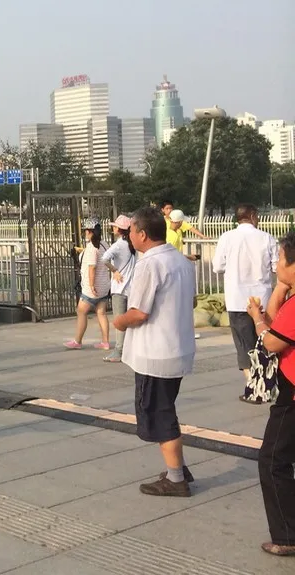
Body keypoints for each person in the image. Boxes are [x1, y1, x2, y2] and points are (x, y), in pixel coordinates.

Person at [113, 207, 196, 497]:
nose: (130, 236)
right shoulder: (182, 261)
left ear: (142, 234)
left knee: (160, 416)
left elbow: (139, 312)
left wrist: (119, 322)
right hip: (178, 349)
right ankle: (178, 468)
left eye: (131, 231)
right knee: (166, 409)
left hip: (155, 355)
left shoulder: (149, 264)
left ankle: (175, 480)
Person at [243, 233, 295, 557]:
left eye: (280, 258)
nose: (275, 262)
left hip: (291, 398)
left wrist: (256, 321)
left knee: (272, 461)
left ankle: (287, 537)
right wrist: (281, 284)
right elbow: (280, 321)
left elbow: (272, 341)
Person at [212, 203, 279, 404]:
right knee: (266, 342)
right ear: (252, 215)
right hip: (263, 301)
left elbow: (217, 267)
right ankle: (269, 384)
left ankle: (253, 385)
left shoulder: (226, 237)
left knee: (244, 345)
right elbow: (276, 267)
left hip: (237, 300)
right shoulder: (266, 238)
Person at [65, 218, 111, 350]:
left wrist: (91, 285)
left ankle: (77, 341)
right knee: (101, 312)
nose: (85, 233)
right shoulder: (104, 244)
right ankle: (105, 342)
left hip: (93, 287)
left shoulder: (92, 248)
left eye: (86, 230)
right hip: (104, 285)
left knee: (81, 311)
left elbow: (92, 267)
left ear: (90, 232)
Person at [102, 215, 136, 363]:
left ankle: (119, 350)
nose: (113, 228)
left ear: (119, 229)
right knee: (130, 321)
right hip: (132, 288)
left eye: (115, 226)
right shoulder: (133, 243)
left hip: (119, 288)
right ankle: (130, 349)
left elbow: (104, 259)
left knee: (119, 321)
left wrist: (114, 270)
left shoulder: (119, 244)